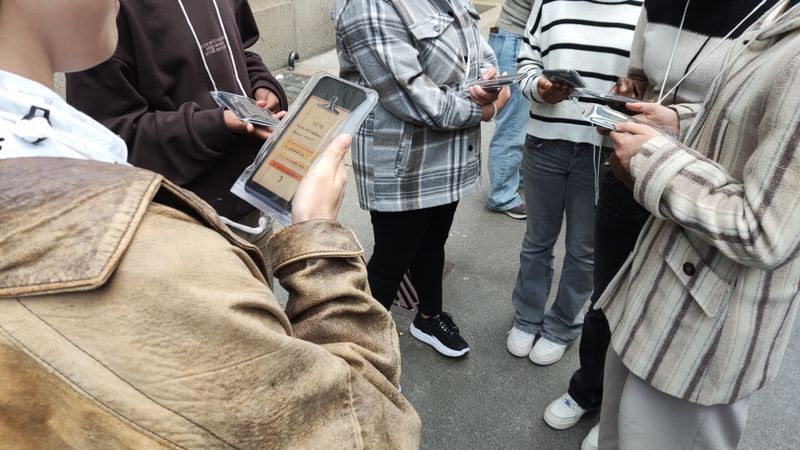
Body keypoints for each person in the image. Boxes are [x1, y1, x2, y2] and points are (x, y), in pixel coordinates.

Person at [0, 0, 421, 447]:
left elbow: (242, 53)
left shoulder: (65, 153)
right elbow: (368, 426)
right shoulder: (151, 249)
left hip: (246, 196)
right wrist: (317, 238)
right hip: (200, 213)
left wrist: (261, 85)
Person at [538, 1, 780, 448]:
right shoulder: (661, 4)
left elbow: (768, 223)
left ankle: (625, 413)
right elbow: (641, 75)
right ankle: (591, 390)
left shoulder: (772, 21)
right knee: (608, 290)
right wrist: (626, 93)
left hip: (697, 191)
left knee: (664, 305)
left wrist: (659, 147)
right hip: (626, 171)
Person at [597, 0, 800, 447]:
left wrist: (653, 155)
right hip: (661, 292)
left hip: (704, 332)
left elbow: (766, 231)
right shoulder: (781, 17)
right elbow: (743, 119)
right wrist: (678, 119)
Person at [66, 0, 288, 282]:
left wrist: (263, 84)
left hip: (253, 208)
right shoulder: (99, 10)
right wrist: (217, 125)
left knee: (267, 324)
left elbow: (240, 51)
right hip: (183, 233)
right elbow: (112, 137)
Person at [334, 0, 509, 357]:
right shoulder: (366, 7)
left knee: (432, 242)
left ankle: (428, 316)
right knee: (390, 262)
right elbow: (414, 97)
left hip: (452, 155)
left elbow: (481, 52)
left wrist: (491, 80)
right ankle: (360, 356)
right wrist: (486, 107)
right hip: (403, 164)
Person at [507, 0, 642, 366]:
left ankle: (563, 325)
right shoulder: (550, 3)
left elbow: (650, 82)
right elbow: (526, 65)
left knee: (584, 249)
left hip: (602, 148)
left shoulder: (644, 8)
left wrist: (633, 93)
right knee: (537, 239)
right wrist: (539, 87)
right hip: (545, 139)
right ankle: (527, 316)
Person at [485, 0, 535, 220]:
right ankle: (501, 195)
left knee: (524, 121)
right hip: (516, 40)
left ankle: (516, 179)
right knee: (513, 125)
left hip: (515, 38)